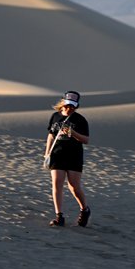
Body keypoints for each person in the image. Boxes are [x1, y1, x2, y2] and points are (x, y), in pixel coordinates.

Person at [44, 90, 91, 227]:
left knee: (74, 187)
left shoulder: (80, 120)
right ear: (63, 103)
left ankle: (84, 209)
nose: (70, 108)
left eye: (73, 106)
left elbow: (86, 140)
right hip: (57, 154)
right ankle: (59, 217)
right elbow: (51, 135)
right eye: (68, 105)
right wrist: (47, 153)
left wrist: (73, 133)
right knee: (57, 184)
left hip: (74, 156)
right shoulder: (55, 117)